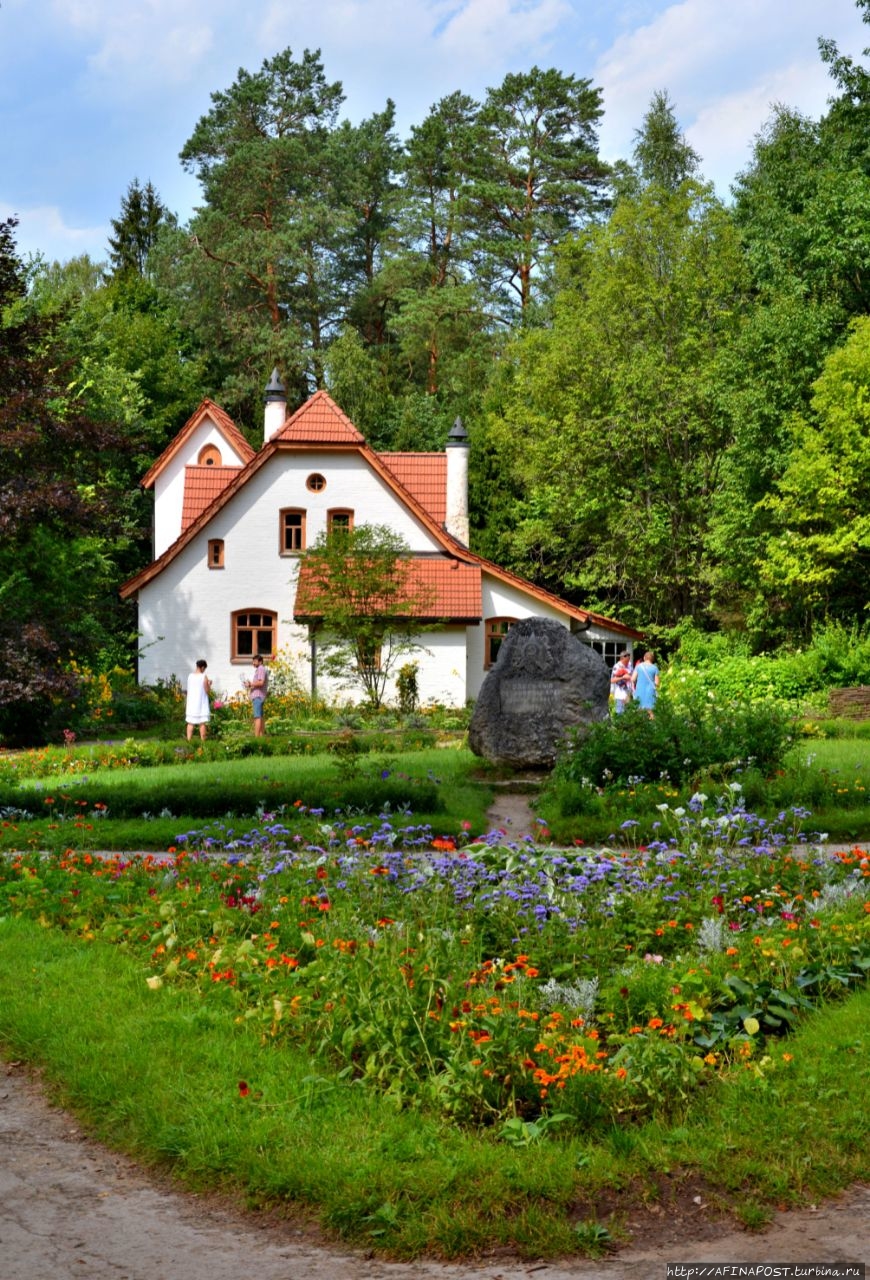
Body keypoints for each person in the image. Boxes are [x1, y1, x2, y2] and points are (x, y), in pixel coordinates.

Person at [185, 659, 211, 740]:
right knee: (202, 723)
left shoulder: (190, 676)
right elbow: (207, 690)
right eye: (204, 668)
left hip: (191, 703)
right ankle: (203, 743)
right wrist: (209, 684)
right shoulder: (204, 676)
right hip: (201, 703)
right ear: (202, 667)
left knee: (190, 723)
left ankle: (189, 741)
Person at [244, 655, 268, 736]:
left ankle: (256, 738)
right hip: (260, 696)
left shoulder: (261, 668)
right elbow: (259, 682)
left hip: (258, 696)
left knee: (257, 717)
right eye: (253, 661)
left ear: (260, 661)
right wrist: (250, 685)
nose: (253, 663)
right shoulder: (260, 669)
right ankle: (261, 737)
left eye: (255, 661)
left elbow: (261, 682)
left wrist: (251, 683)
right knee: (260, 716)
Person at [632, 650, 660, 716]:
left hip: (640, 691)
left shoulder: (639, 666)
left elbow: (633, 679)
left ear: (644, 657)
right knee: (651, 712)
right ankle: (652, 725)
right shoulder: (655, 668)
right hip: (650, 692)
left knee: (639, 711)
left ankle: (640, 726)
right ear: (652, 659)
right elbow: (657, 683)